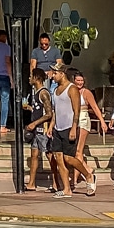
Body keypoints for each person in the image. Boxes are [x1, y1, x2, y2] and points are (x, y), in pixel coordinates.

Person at [48, 64, 96, 196]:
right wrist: (51, 126)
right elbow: (55, 111)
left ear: (62, 73)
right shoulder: (56, 90)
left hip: (69, 127)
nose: (53, 76)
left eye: (55, 73)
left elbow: (77, 110)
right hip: (58, 127)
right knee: (58, 158)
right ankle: (66, 189)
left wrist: (74, 128)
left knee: (69, 158)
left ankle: (88, 175)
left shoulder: (72, 88)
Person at [24, 66, 55, 189]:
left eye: (31, 76)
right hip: (36, 131)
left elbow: (48, 113)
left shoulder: (43, 93)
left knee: (49, 154)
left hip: (43, 129)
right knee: (34, 155)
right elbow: (40, 110)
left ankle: (56, 182)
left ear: (37, 78)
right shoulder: (35, 93)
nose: (29, 78)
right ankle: (31, 183)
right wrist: (30, 108)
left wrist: (35, 123)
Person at [70, 70, 103, 170]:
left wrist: (101, 121)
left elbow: (95, 107)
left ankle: (87, 171)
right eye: (78, 80)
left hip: (83, 119)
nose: (80, 82)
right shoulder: (71, 91)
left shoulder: (86, 92)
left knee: (78, 151)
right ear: (74, 80)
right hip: (73, 121)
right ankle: (82, 173)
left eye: (81, 80)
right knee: (74, 150)